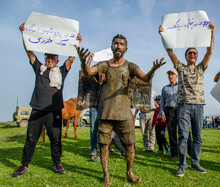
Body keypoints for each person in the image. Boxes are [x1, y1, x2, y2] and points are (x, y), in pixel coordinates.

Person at [76, 34, 165, 186]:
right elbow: (90, 71)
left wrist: (153, 70)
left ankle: (129, 171)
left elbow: (144, 77)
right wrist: (83, 62)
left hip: (124, 114)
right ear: (111, 46)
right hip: (105, 113)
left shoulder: (130, 66)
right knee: (103, 145)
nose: (118, 46)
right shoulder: (104, 64)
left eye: (121, 44)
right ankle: (106, 175)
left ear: (126, 48)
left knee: (130, 144)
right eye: (115, 43)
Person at [12, 22, 82, 177]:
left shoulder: (62, 71)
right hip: (37, 109)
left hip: (55, 111)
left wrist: (76, 42)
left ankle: (57, 163)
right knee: (31, 139)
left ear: (57, 60)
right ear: (45, 59)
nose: (50, 59)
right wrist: (24, 34)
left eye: (53, 58)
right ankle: (24, 165)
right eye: (48, 57)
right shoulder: (39, 68)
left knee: (56, 139)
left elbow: (71, 59)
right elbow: (29, 51)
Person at [159, 21, 215, 176]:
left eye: (194, 53)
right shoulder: (180, 68)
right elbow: (170, 52)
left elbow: (209, 52)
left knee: (197, 137)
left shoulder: (201, 68)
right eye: (189, 53)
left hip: (198, 105)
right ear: (185, 56)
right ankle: (182, 164)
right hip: (183, 106)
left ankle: (195, 163)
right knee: (183, 135)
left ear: (197, 57)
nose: (192, 54)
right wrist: (163, 35)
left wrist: (212, 33)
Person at [160, 69, 191, 161]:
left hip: (181, 110)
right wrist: (162, 113)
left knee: (185, 132)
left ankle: (191, 152)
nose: (170, 76)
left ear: (176, 76)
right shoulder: (165, 88)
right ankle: (174, 154)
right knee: (171, 133)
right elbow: (162, 103)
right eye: (169, 74)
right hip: (169, 112)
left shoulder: (181, 87)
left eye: (172, 74)